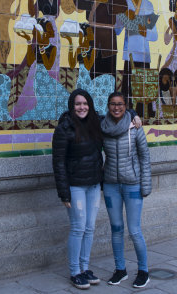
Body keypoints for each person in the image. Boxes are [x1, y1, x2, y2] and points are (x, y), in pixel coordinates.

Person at [52, 89, 104, 290]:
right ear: (71, 106)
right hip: (75, 187)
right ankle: (74, 271)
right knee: (78, 227)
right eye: (77, 104)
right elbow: (58, 163)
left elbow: (118, 112)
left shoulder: (95, 123)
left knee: (90, 227)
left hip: (93, 184)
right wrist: (63, 192)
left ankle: (84, 268)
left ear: (89, 105)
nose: (81, 107)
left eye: (85, 103)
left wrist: (134, 116)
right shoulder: (64, 128)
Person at [101, 92, 152, 288]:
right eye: (113, 104)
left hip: (132, 185)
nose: (116, 108)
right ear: (108, 106)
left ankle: (143, 271)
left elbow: (144, 157)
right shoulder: (103, 126)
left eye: (120, 104)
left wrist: (145, 185)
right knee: (116, 229)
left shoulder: (136, 127)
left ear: (125, 106)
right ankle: (120, 269)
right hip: (111, 185)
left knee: (134, 230)